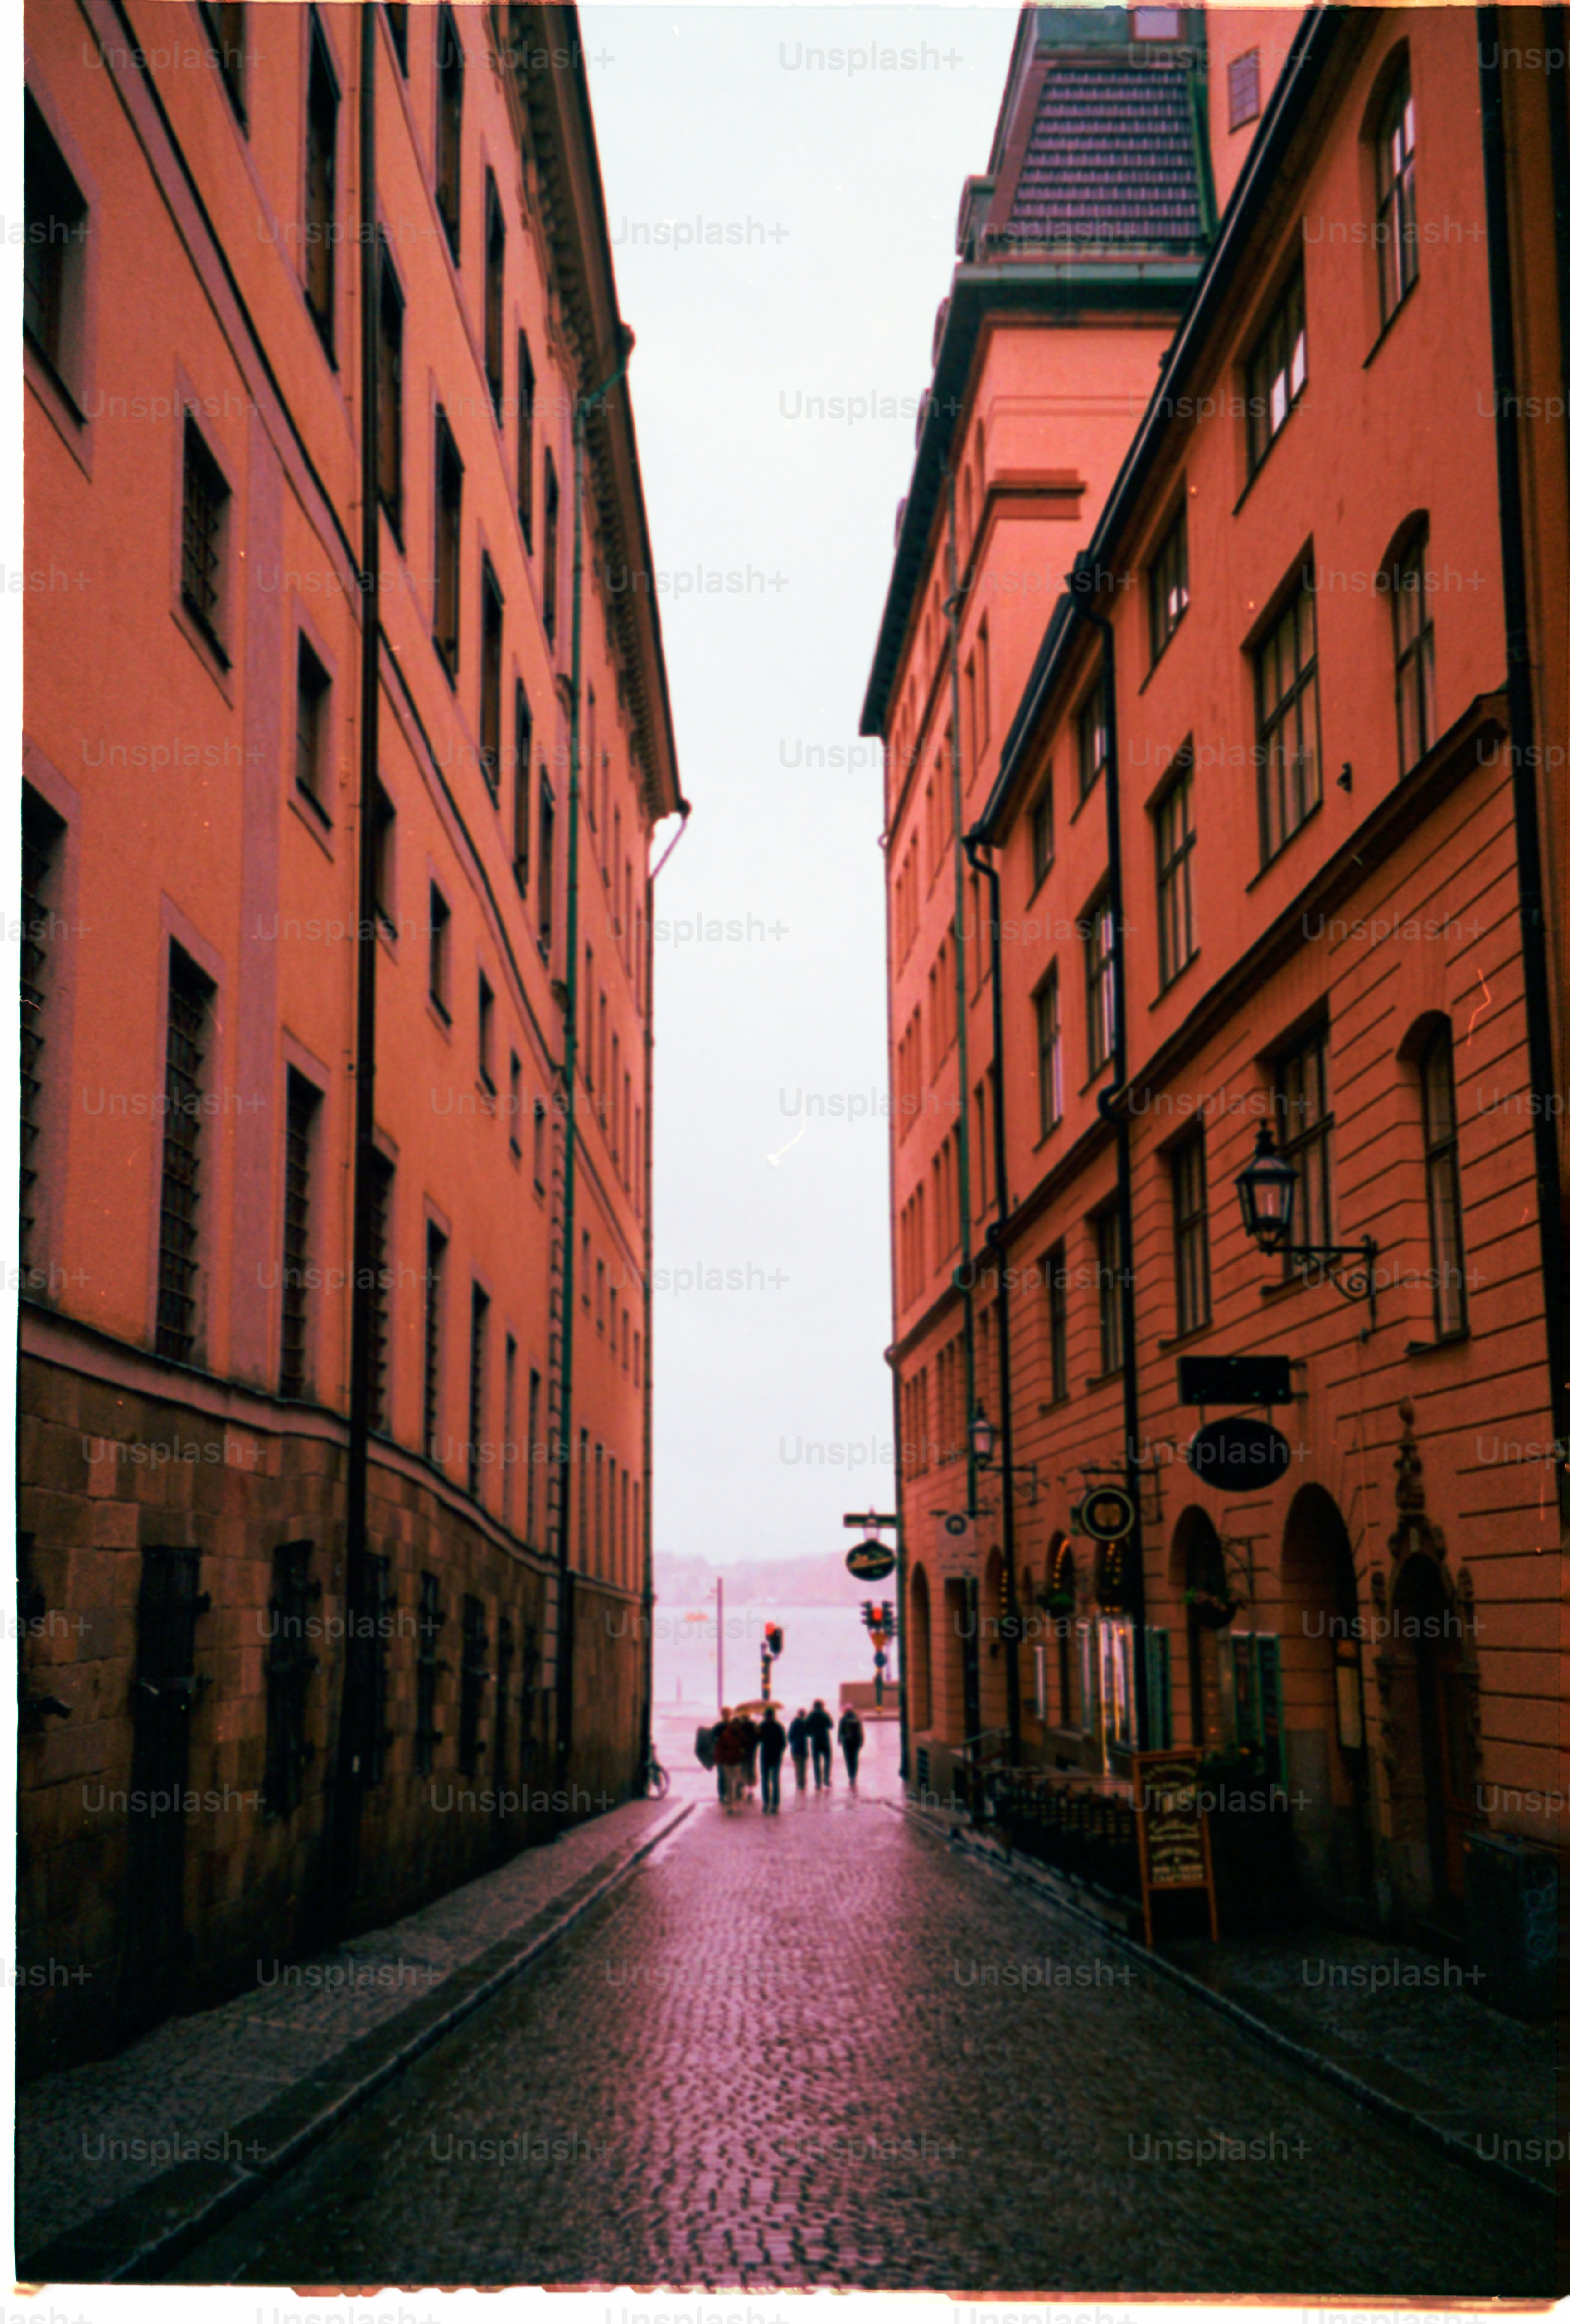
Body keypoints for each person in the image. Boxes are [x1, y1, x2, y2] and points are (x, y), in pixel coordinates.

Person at [712, 1707, 746, 1810]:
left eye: (728, 1714)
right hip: (722, 1756)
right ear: (722, 1715)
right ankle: (723, 1795)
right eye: (725, 1714)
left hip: (733, 1757)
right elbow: (713, 1740)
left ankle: (732, 1796)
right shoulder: (718, 1727)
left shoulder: (733, 1727)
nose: (727, 1716)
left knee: (733, 1778)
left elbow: (742, 1739)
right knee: (723, 1777)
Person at [757, 1704, 788, 1814]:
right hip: (765, 1757)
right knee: (765, 1780)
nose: (769, 1718)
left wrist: (779, 1752)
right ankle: (766, 1803)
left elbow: (784, 1743)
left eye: (770, 1716)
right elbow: (757, 1740)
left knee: (775, 1781)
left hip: (775, 1757)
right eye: (768, 1716)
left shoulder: (778, 1727)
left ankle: (775, 1804)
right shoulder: (762, 1727)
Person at [805, 1698, 834, 1789]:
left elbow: (806, 1727)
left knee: (816, 1762)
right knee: (828, 1760)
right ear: (822, 1706)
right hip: (825, 1740)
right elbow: (831, 1725)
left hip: (816, 1741)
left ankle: (818, 1782)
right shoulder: (825, 1714)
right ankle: (826, 1779)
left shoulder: (811, 1715)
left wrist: (812, 1734)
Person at [838, 1703, 865, 1790]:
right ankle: (854, 1776)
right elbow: (861, 1731)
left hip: (847, 1742)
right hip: (856, 1741)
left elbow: (841, 1731)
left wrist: (839, 1740)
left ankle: (851, 1776)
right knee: (855, 1758)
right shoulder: (857, 1718)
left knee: (849, 1759)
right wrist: (862, 1741)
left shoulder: (843, 1719)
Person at [737, 1709, 760, 1800]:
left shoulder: (740, 1726)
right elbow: (757, 1739)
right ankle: (748, 1790)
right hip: (750, 1752)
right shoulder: (753, 1725)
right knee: (749, 1771)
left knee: (744, 1770)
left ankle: (744, 1789)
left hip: (745, 1752)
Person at [787, 1708, 810, 1793]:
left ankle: (799, 1784)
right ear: (804, 1715)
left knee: (798, 1767)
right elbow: (809, 1733)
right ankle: (803, 1783)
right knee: (803, 1767)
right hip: (803, 1749)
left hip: (795, 1749)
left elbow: (789, 1736)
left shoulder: (794, 1723)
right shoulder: (805, 1723)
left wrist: (793, 1743)